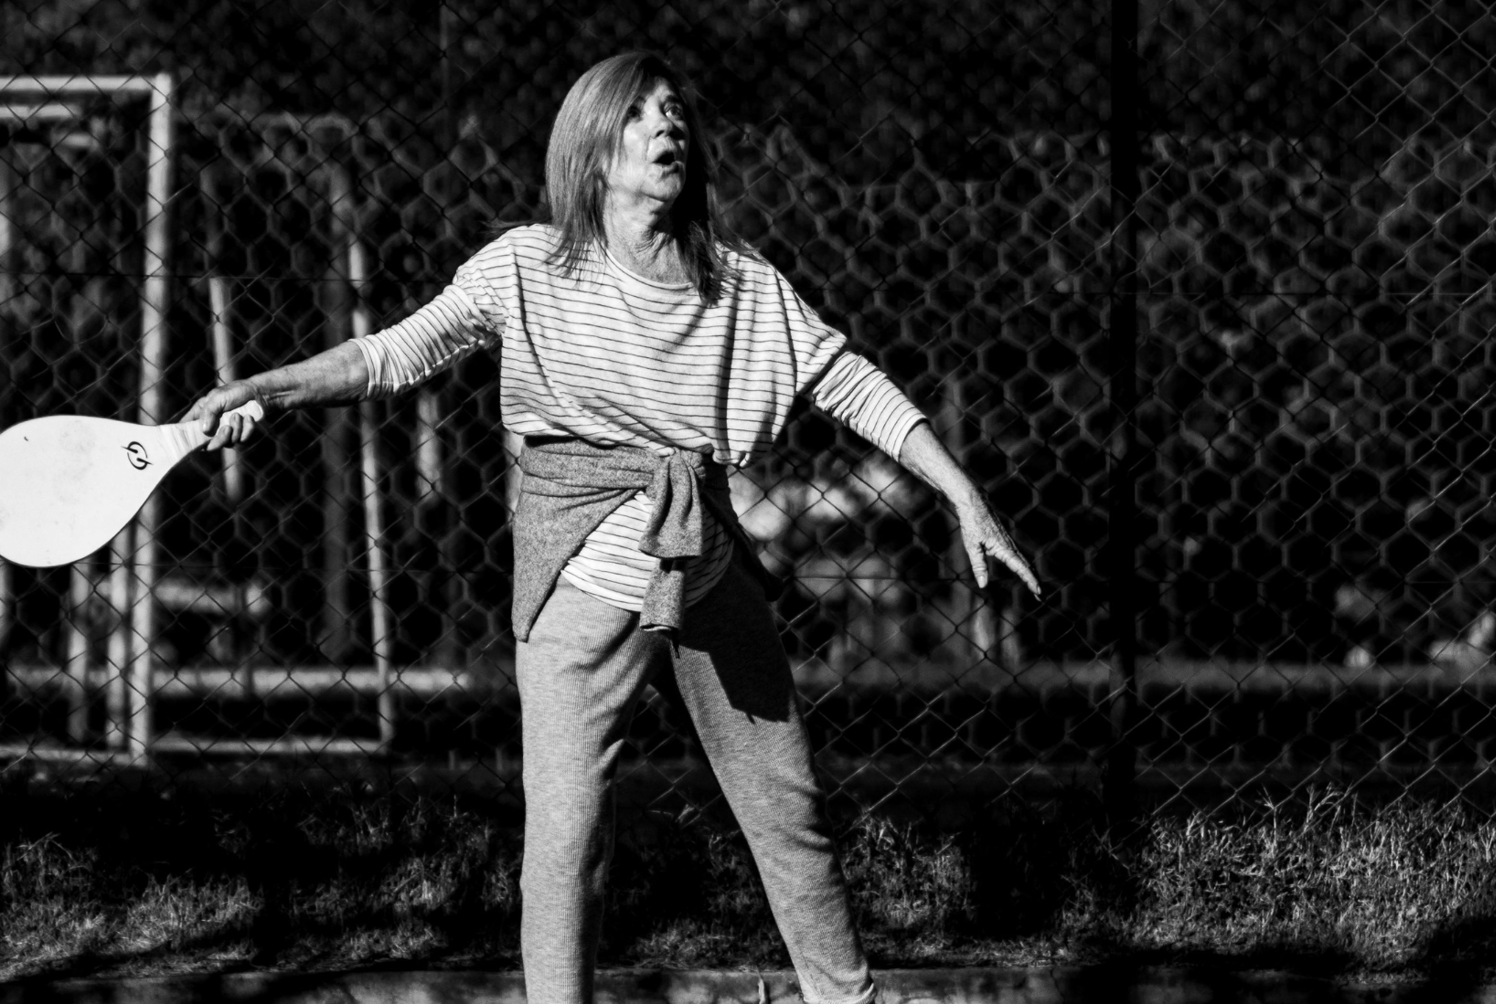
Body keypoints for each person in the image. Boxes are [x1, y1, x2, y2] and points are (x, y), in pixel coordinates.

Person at [185, 51, 1040, 1004]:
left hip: (703, 561)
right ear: (592, 149)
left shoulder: (742, 286)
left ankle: (846, 999)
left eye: (674, 112)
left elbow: (851, 382)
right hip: (579, 575)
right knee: (567, 838)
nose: (666, 126)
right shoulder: (528, 265)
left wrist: (964, 495)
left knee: (788, 812)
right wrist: (267, 389)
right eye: (639, 114)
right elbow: (392, 354)